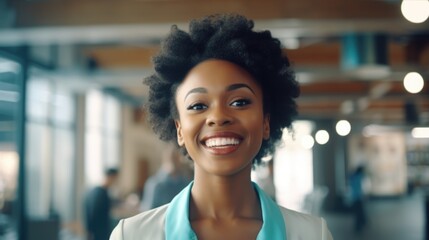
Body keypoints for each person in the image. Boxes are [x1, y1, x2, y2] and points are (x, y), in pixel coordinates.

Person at [110, 13, 333, 239]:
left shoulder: (313, 234)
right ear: (179, 129)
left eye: (239, 102)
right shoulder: (131, 235)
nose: (218, 117)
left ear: (266, 122)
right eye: (198, 106)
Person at [140, 143, 192, 211]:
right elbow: (146, 213)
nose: (174, 160)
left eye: (176, 157)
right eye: (172, 157)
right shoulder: (154, 184)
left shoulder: (186, 183)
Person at [84, 168, 119, 240]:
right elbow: (93, 214)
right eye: (116, 179)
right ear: (111, 177)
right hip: (99, 231)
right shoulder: (100, 193)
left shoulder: (99, 191)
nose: (116, 181)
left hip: (98, 230)